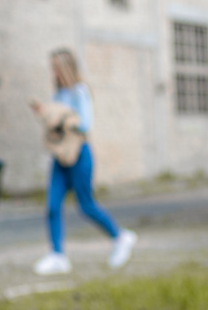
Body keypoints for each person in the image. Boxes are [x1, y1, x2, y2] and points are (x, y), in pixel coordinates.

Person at [31, 48, 138, 276]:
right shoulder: (58, 95)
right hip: (60, 156)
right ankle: (57, 255)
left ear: (66, 68)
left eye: (56, 68)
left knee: (86, 205)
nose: (54, 73)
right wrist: (45, 113)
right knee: (52, 206)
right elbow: (55, 122)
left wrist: (63, 118)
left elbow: (85, 124)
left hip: (79, 154)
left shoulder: (80, 92)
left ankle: (120, 237)